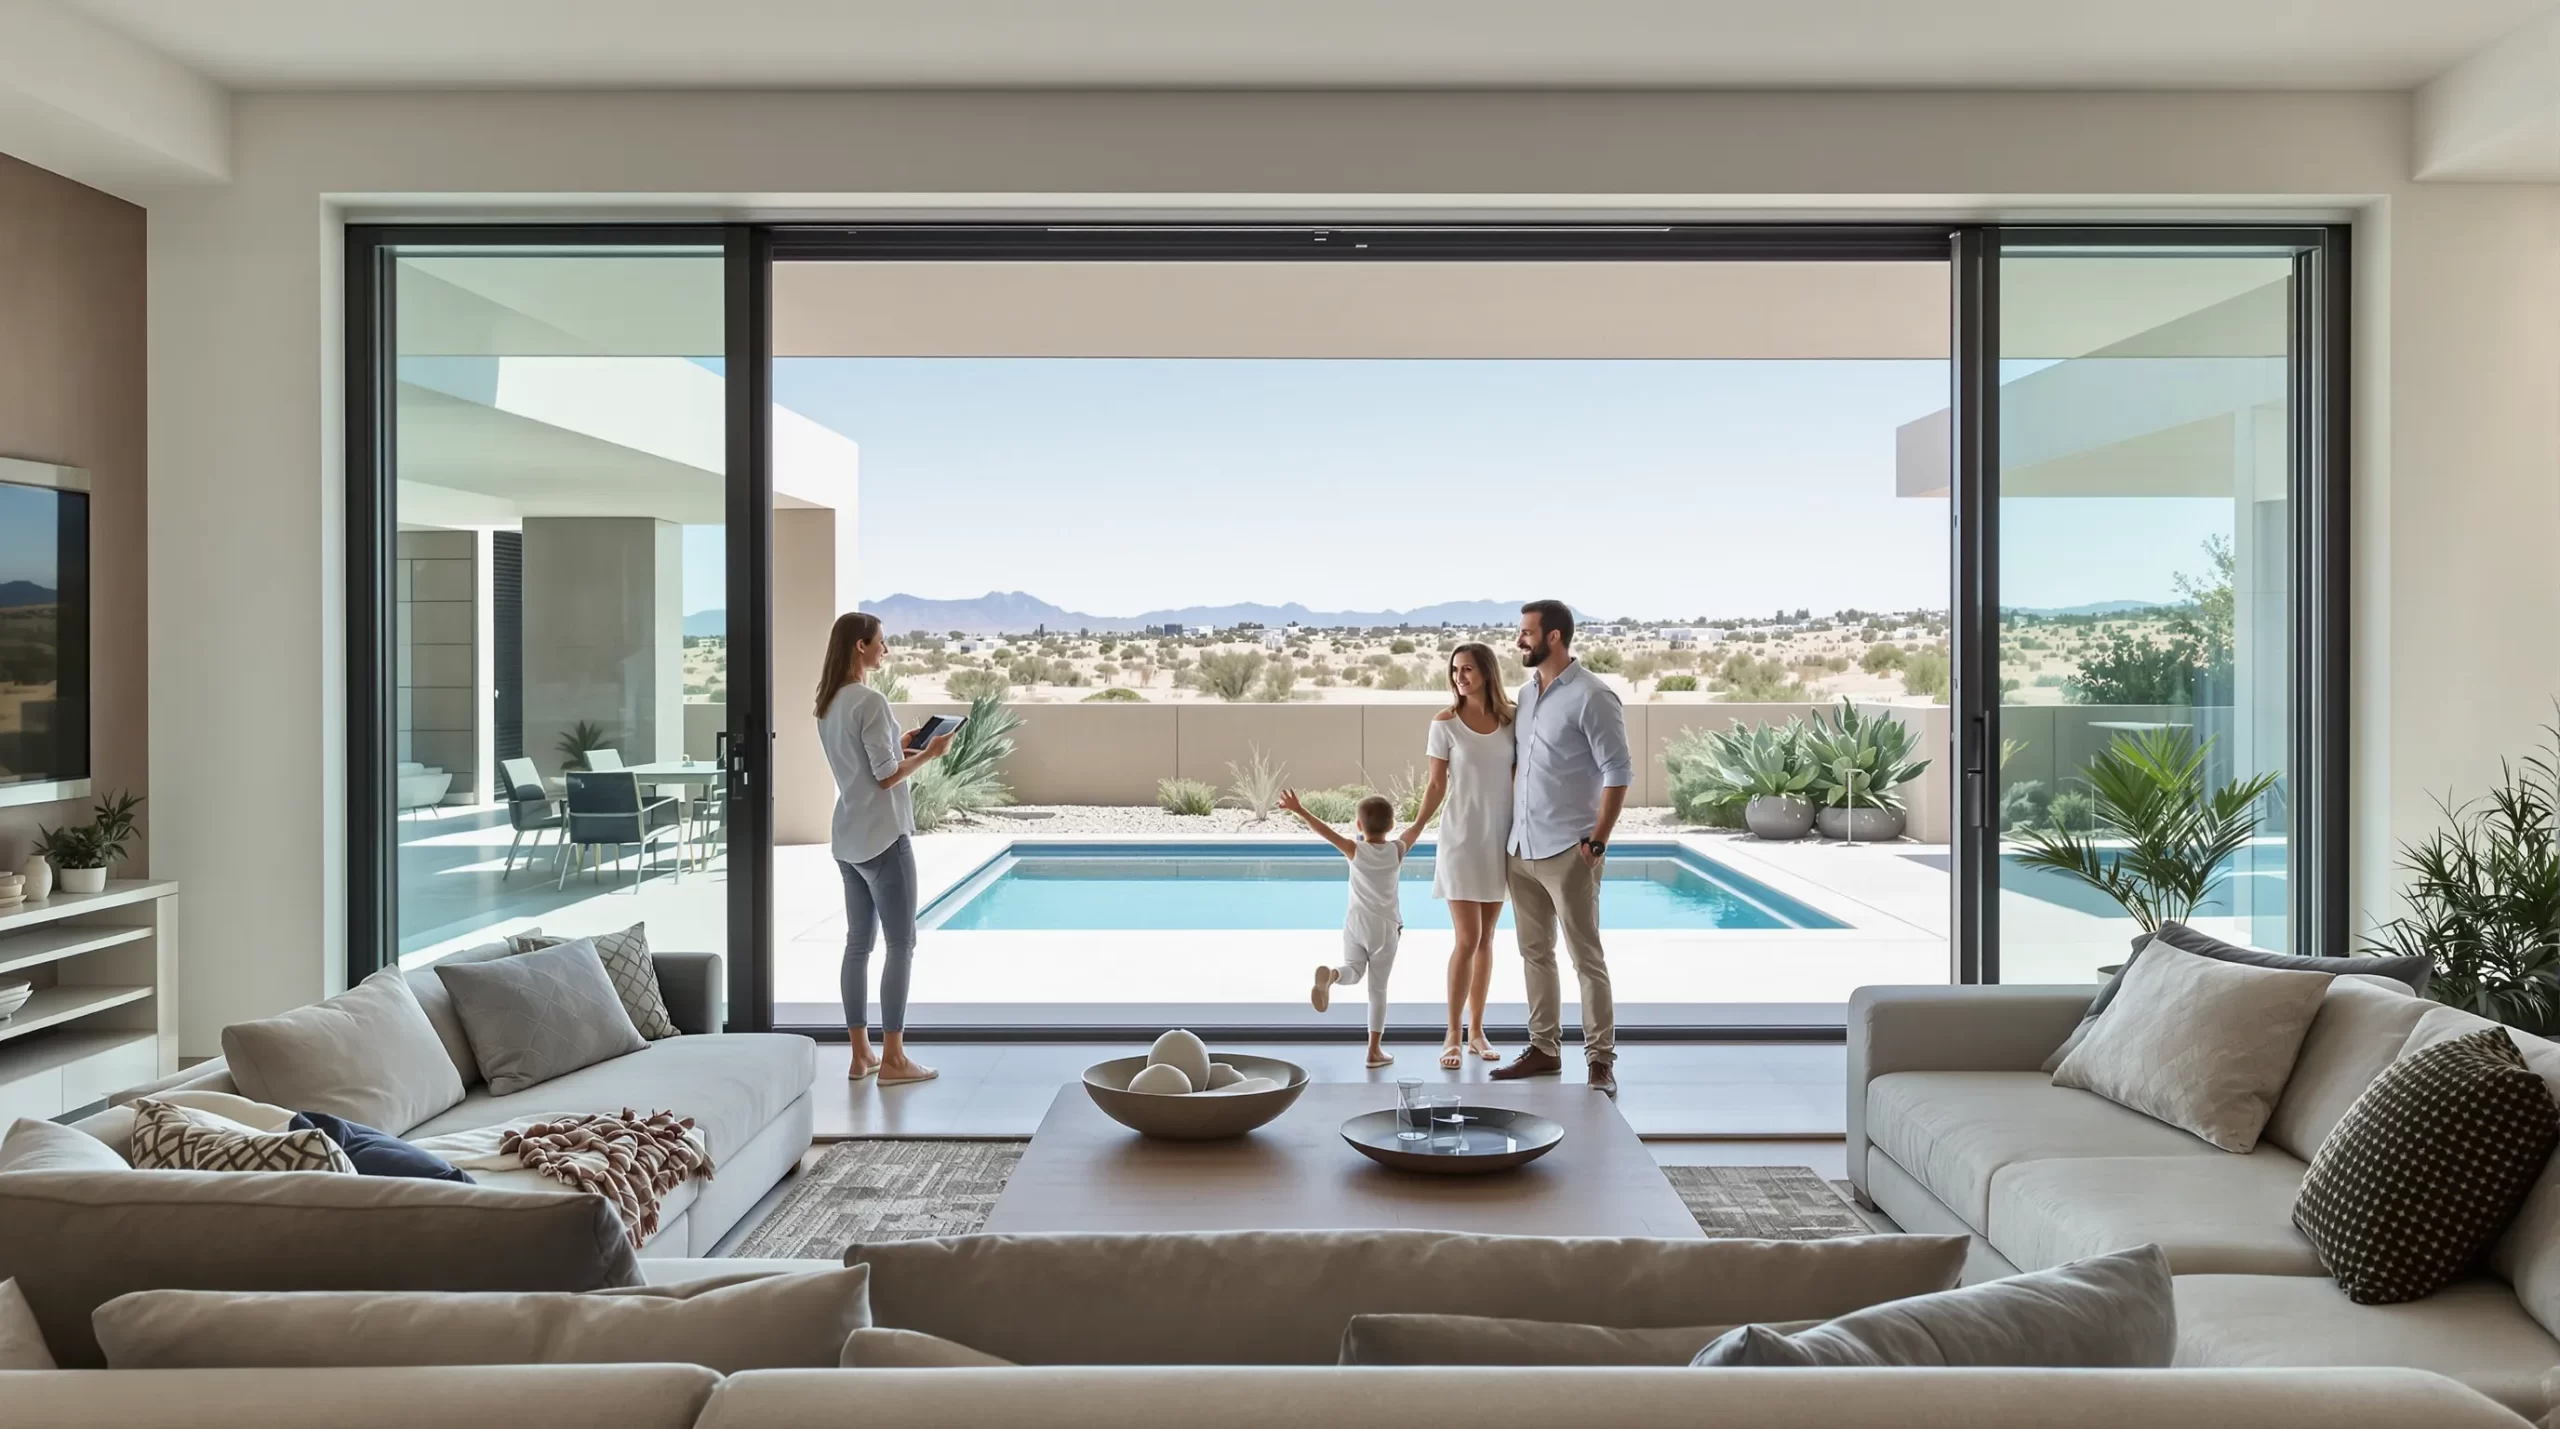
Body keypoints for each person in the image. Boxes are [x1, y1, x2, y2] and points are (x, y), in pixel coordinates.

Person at [1491, 598, 1632, 1098]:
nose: (1518, 641)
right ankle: (1545, 1050)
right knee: (1535, 955)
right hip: (1521, 850)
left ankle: (1599, 1061)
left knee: (1585, 958)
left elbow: (1619, 772)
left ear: (1554, 636)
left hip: (1569, 851)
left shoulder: (1593, 696)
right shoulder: (1527, 695)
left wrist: (1598, 841)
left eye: (1526, 633)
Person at [813, 611, 954, 1086]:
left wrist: (904, 741)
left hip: (848, 838)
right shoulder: (871, 700)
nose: (885, 650)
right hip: (883, 838)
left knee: (857, 945)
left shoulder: (829, 703)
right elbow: (884, 775)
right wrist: (930, 754)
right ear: (860, 646)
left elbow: (865, 762)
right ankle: (894, 1059)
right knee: (901, 944)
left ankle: (861, 1055)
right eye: (881, 642)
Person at [1407, 641, 1517, 1070]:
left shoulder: (1511, 718)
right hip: (1460, 838)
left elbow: (1518, 778)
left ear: (1487, 671)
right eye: (1455, 670)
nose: (1460, 677)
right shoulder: (1445, 723)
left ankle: (1477, 1031)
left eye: (1468, 669)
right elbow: (1436, 786)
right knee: (1467, 939)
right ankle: (1452, 1033)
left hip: (1499, 839)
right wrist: (1416, 827)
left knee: (1488, 940)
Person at [1281, 789, 1422, 1069]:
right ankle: (1374, 1051)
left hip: (1356, 923)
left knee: (1353, 971)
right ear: (1392, 825)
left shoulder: (1353, 849)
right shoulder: (1397, 850)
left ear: (1359, 826)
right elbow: (1418, 825)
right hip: (1385, 927)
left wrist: (1300, 810)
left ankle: (1333, 975)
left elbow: (1326, 831)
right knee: (1377, 990)